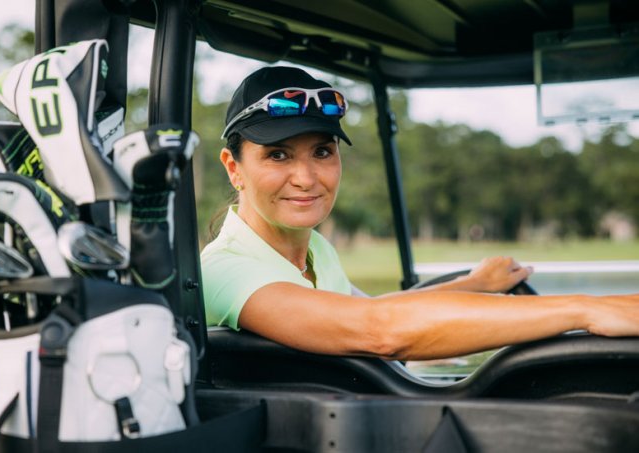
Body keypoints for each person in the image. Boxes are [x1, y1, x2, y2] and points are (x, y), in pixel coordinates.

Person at [201, 66, 639, 361]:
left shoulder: (315, 250)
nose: (306, 177)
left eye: (322, 152)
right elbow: (378, 330)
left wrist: (474, 285)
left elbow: (368, 310)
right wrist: (588, 309)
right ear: (234, 167)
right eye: (278, 156)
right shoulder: (224, 270)